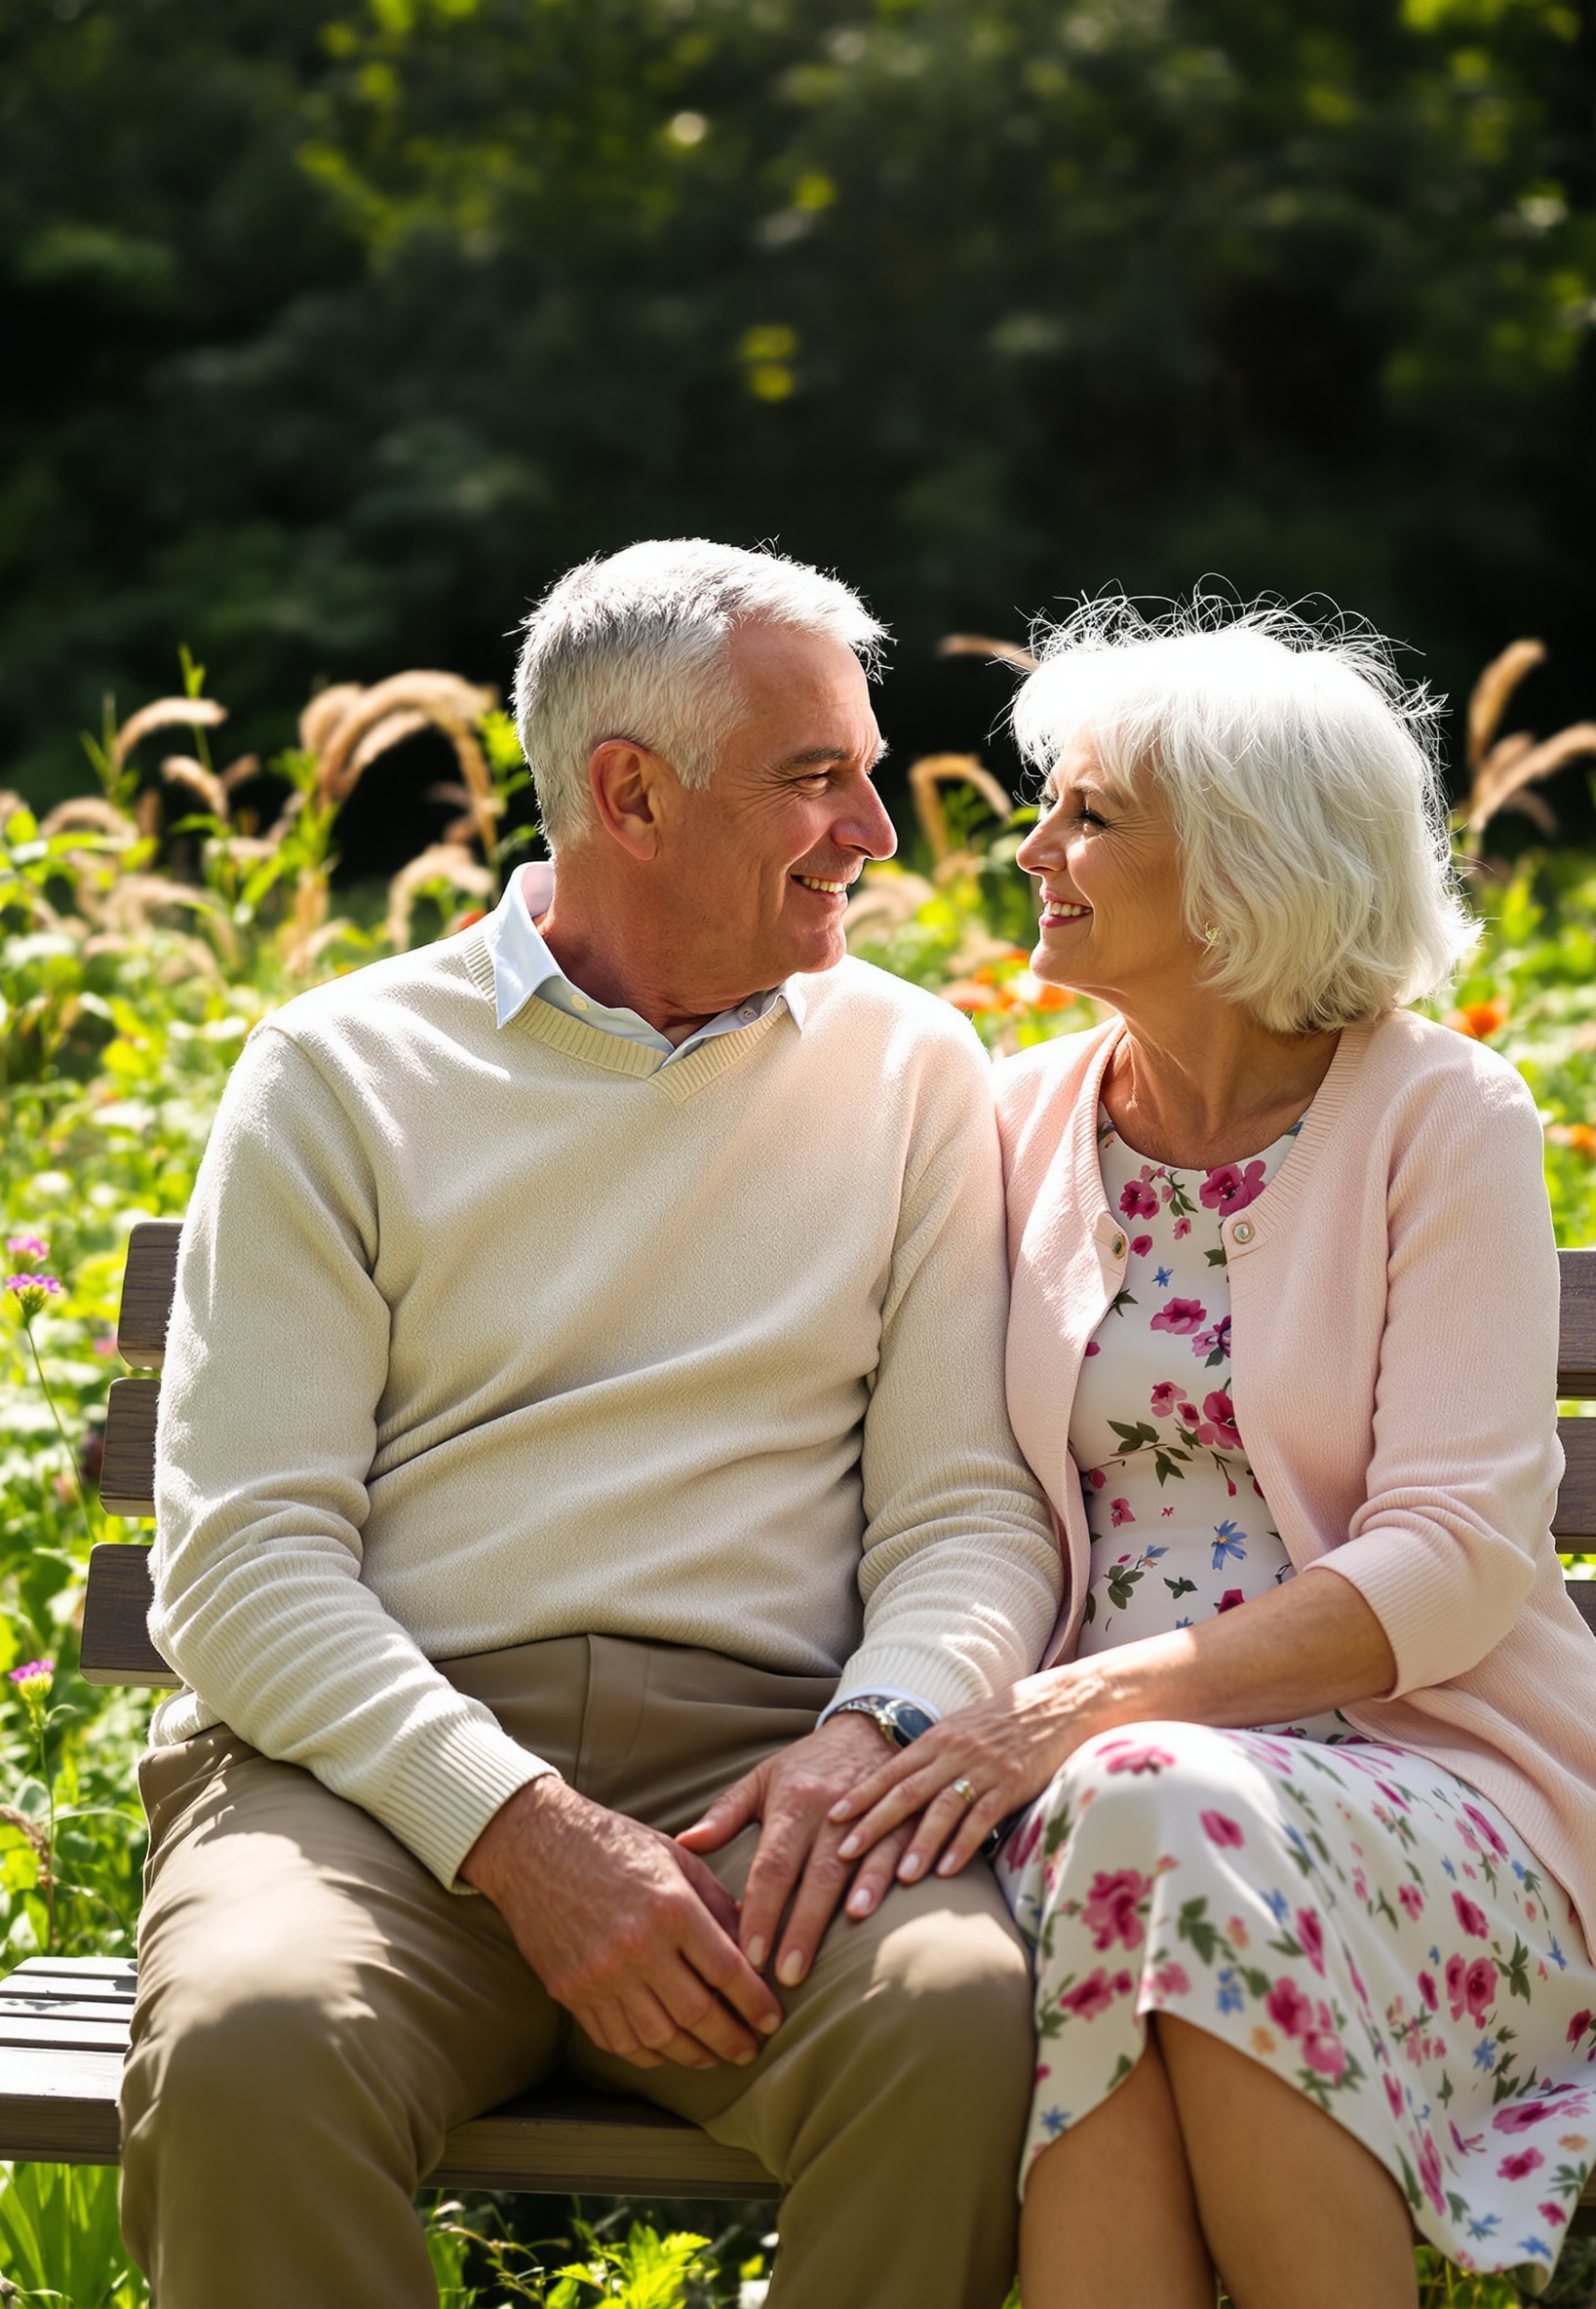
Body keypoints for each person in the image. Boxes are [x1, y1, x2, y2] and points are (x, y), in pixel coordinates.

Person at [120, 539, 1065, 2309]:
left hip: (768, 1776)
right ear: (630, 794)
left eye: (867, 772)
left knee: (955, 2024)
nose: (877, 831)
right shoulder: (336, 1073)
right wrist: (524, 1835)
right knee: (253, 2043)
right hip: (376, 1784)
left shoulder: (914, 1067)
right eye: (815, 778)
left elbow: (967, 1514)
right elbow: (246, 1566)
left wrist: (871, 1734)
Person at [821, 601, 1596, 2307]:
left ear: (1244, 864)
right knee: (1135, 1853)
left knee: (1140, 1814)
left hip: (1450, 1815)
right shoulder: (1016, 1119)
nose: (1032, 848)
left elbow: (1459, 1552)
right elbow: (964, 1500)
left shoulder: (1442, 1118)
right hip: (1100, 1820)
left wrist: (1086, 1709)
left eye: (1088, 815)